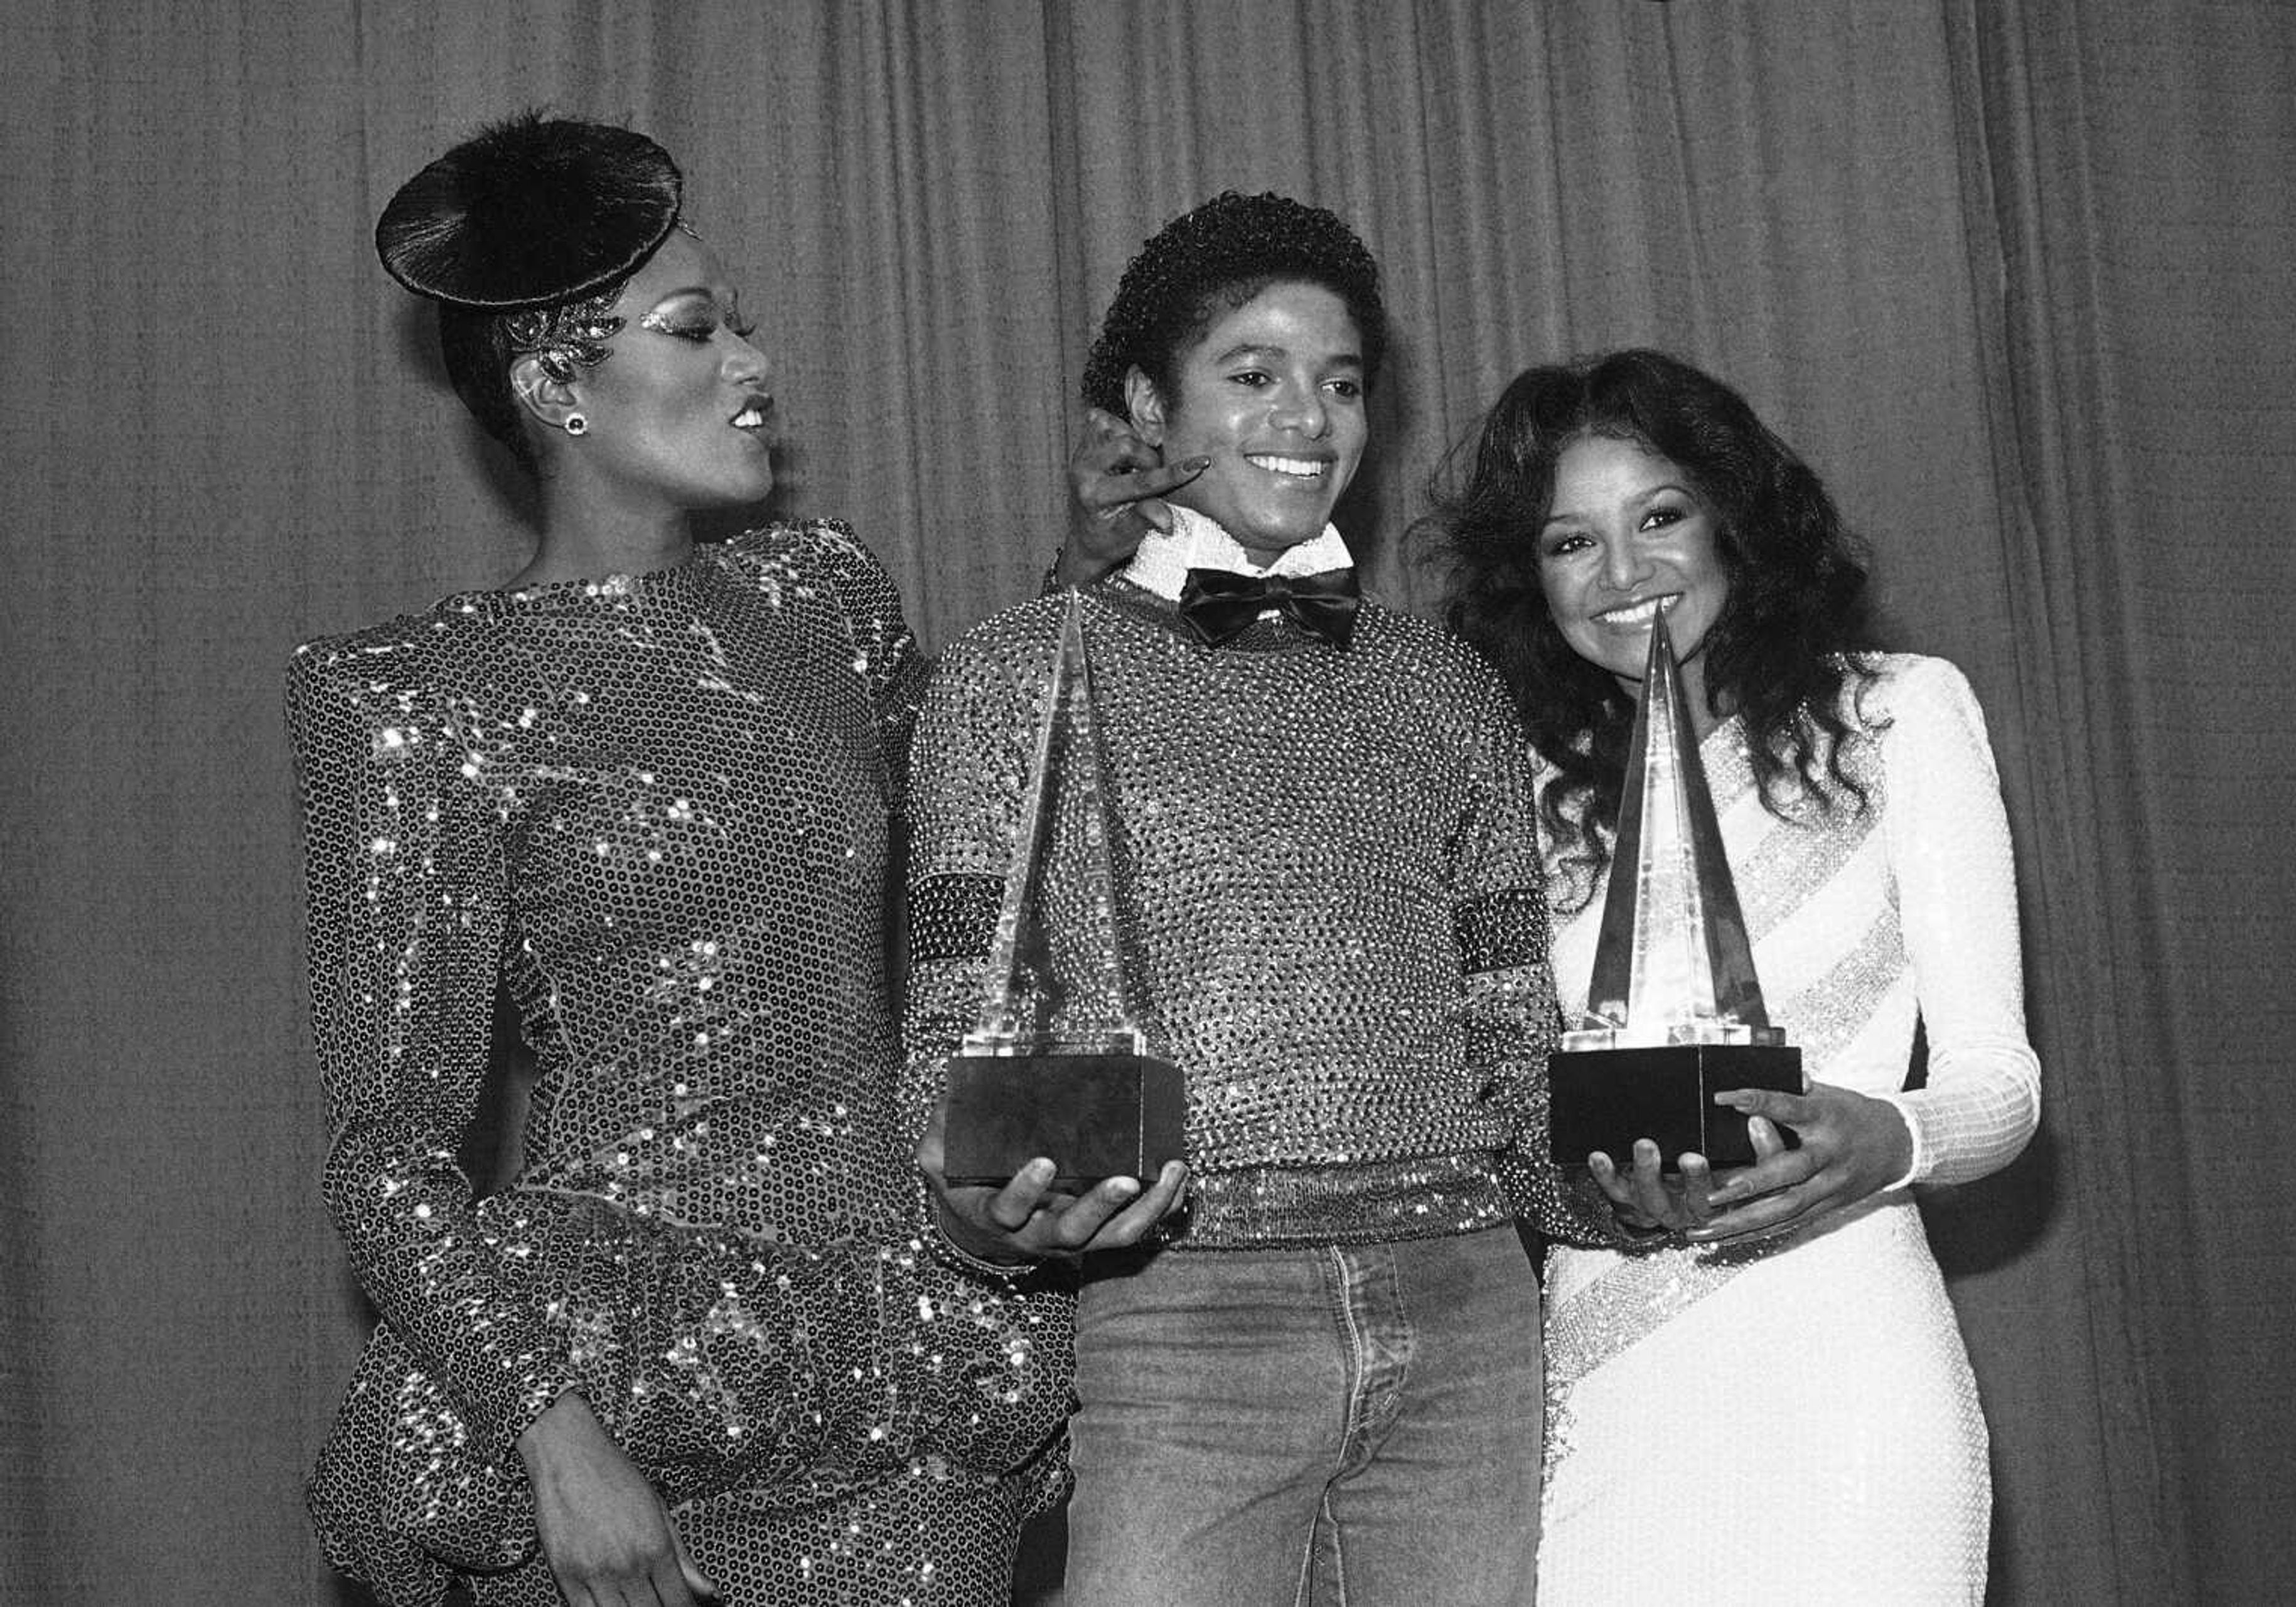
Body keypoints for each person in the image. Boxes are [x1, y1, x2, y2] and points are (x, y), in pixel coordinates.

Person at [287, 112, 1174, 1607]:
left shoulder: (822, 596)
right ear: (552, 381)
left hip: (905, 1367)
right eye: (698, 332)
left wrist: (1091, 571)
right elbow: (385, 1162)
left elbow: (994, 840)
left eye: (743, 327)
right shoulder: (411, 697)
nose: (754, 367)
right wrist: (554, 1440)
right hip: (615, 1398)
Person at [903, 192, 1619, 1607]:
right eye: (1254, 376)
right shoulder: (1011, 675)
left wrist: (1634, 1192)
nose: (1311, 417)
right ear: (1143, 407)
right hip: (1181, 1321)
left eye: (1342, 382)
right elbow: (948, 1036)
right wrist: (984, 1218)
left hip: (1468, 1311)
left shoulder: (1445, 684)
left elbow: (1512, 1034)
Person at [1437, 348, 2042, 1603]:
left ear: (1730, 519)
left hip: (1851, 1388)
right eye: (1571, 542)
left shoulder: (1897, 720)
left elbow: (2002, 1086)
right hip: (1608, 1384)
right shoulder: (1514, 798)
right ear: (1528, 578)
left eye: (1658, 516)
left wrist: (1889, 1137)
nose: (1624, 573)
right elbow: (1495, 1109)